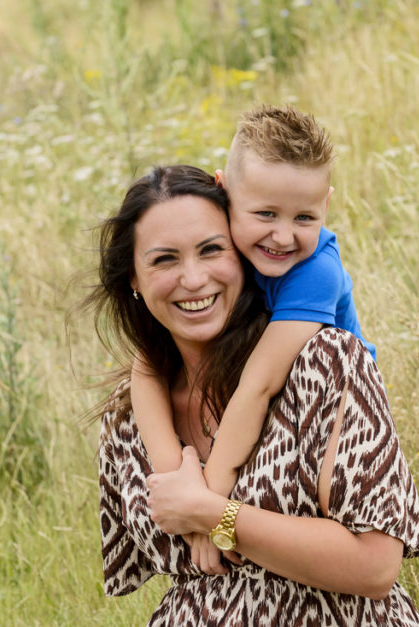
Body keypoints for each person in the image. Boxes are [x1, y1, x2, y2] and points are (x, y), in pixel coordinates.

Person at [87, 164, 419, 624]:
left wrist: (216, 516)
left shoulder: (325, 363)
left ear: (245, 253)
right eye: (164, 259)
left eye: (212, 250)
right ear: (134, 277)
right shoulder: (129, 420)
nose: (192, 279)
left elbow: (374, 567)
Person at [131, 107, 376, 571]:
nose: (283, 236)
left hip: (330, 409)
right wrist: (175, 474)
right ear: (224, 193)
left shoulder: (315, 272)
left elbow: (260, 385)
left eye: (305, 217)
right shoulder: (234, 250)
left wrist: (206, 503)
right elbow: (145, 366)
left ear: (326, 203)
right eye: (265, 213)